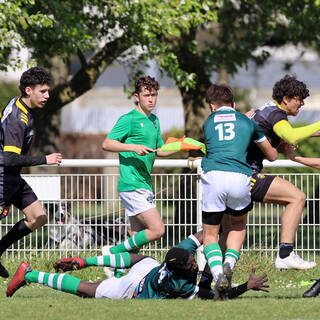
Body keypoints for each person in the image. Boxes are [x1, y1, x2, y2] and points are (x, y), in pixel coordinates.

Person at [6, 230, 269, 300]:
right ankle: (30, 275)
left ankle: (87, 260)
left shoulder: (179, 253)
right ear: (181, 270)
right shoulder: (177, 283)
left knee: (143, 258)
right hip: (134, 288)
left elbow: (203, 235)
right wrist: (248, 285)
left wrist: (219, 226)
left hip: (149, 267)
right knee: (86, 290)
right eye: (191, 264)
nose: (194, 263)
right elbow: (216, 296)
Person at [200, 84, 277, 299]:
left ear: (212, 107)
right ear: (234, 104)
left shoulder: (208, 123)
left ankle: (217, 275)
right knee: (238, 225)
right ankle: (229, 264)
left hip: (213, 175)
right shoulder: (247, 122)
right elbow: (271, 156)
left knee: (211, 234)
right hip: (240, 177)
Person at [101, 76, 175, 277]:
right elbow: (107, 143)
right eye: (146, 95)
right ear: (137, 97)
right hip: (131, 183)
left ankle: (117, 277)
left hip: (144, 183)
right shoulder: (129, 119)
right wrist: (132, 147)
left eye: (154, 95)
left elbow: (159, 150)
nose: (151, 99)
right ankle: (113, 252)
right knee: (157, 229)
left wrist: (182, 145)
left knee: (137, 238)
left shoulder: (154, 120)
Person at [246, 74, 320, 270]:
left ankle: (207, 282)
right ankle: (285, 254)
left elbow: (276, 138)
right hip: (245, 176)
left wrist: (313, 132)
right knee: (297, 197)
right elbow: (292, 135)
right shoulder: (276, 115)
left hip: (230, 175)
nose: (302, 103)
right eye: (299, 99)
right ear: (286, 99)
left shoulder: (268, 110)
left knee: (225, 233)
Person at [0, 67, 62, 278]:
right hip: (2, 176)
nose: (47, 95)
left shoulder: (21, 106)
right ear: (28, 90)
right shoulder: (18, 120)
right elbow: (9, 158)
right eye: (43, 91)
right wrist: (45, 159)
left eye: (47, 91)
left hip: (12, 177)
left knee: (38, 217)